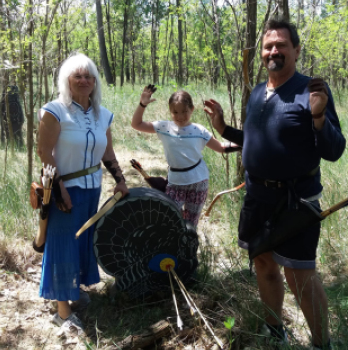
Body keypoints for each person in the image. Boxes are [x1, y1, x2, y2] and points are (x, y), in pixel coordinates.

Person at [204, 19, 345, 350]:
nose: (274, 51)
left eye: (281, 45)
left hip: (296, 202)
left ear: (296, 50)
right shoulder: (257, 91)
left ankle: (322, 344)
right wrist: (223, 128)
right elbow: (255, 140)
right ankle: (274, 328)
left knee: (300, 277)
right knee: (264, 263)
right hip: (257, 198)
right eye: (268, 46)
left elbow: (334, 151)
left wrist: (319, 118)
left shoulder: (312, 90)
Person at [37, 53, 129, 335]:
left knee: (83, 240)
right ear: (67, 80)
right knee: (63, 242)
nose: (84, 81)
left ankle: (73, 290)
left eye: (89, 76)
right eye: (78, 76)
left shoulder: (102, 114)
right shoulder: (55, 111)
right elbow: (45, 152)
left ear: (95, 81)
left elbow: (107, 152)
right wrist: (61, 189)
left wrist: (120, 179)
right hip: (64, 188)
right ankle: (62, 311)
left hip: (92, 188)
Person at [131, 86, 236, 227]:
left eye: (184, 112)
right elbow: (136, 124)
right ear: (170, 111)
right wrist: (142, 104)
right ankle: (171, 247)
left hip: (198, 182)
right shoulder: (164, 127)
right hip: (175, 182)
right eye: (175, 112)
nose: (180, 117)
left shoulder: (200, 131)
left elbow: (221, 148)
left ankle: (189, 248)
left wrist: (246, 141)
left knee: (191, 224)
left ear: (192, 109)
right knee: (169, 218)